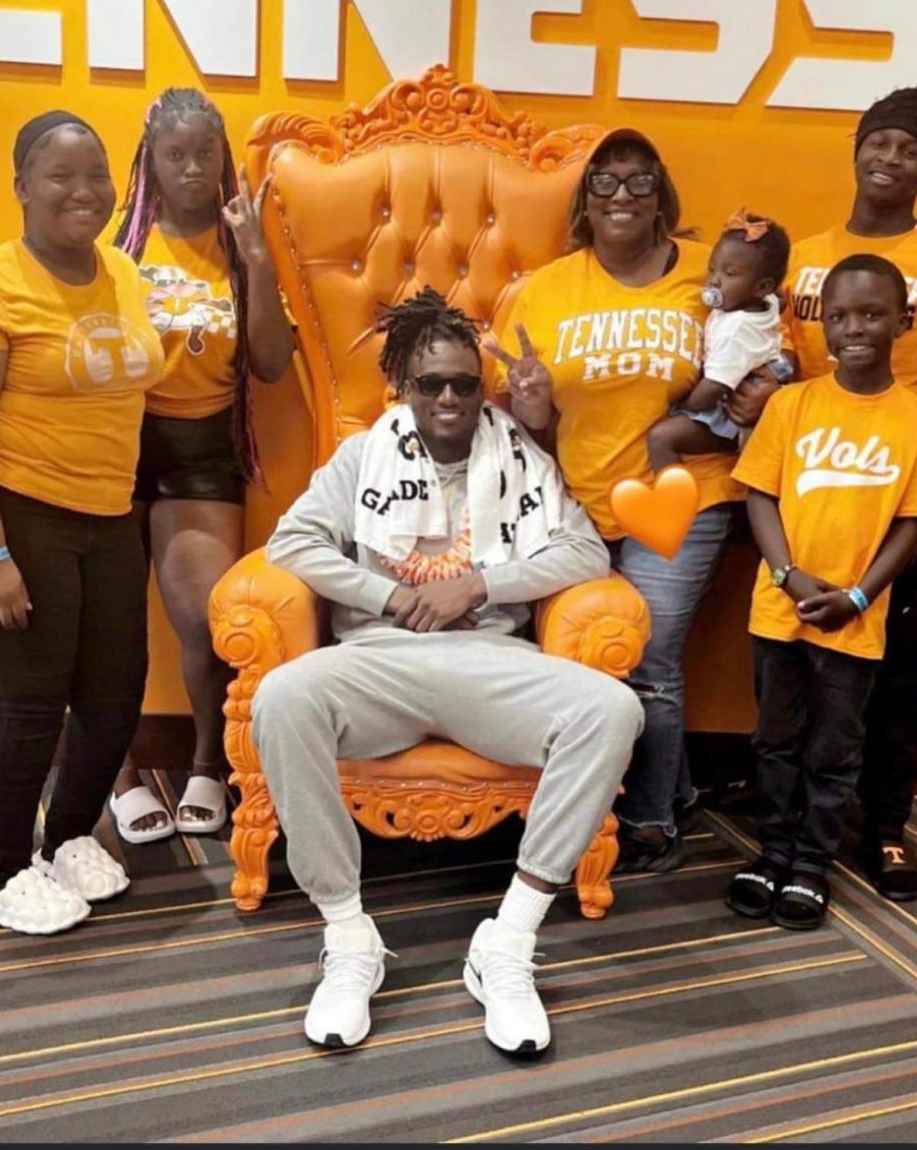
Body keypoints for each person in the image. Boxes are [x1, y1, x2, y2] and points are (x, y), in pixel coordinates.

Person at [250, 288, 644, 1054]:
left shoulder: (521, 455)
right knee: (282, 695)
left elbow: (585, 553)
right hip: (379, 658)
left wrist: (479, 585)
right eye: (430, 384)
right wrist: (391, 596)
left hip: (491, 660)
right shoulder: (363, 454)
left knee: (614, 711)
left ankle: (509, 941)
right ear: (403, 385)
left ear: (482, 386)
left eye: (465, 383)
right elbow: (292, 544)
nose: (449, 399)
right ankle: (350, 937)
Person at [487, 128, 778, 873]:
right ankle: (667, 789)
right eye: (605, 183)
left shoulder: (706, 282)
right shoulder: (549, 288)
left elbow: (767, 352)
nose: (622, 196)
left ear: (662, 198)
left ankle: (647, 818)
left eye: (639, 182)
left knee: (650, 660)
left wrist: (764, 389)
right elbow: (533, 425)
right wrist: (529, 405)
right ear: (585, 202)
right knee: (585, 658)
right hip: (578, 501)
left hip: (685, 494)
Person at [726, 255, 917, 930]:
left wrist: (856, 597)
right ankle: (772, 852)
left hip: (854, 619)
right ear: (822, 322)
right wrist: (789, 576)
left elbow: (913, 528)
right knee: (775, 740)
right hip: (781, 609)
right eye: (841, 315)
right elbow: (760, 497)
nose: (854, 329)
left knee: (834, 748)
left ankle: (811, 865)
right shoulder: (792, 406)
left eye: (873, 314)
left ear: (903, 322)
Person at [0, 112, 164, 934]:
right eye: (60, 175)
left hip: (111, 512)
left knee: (115, 693)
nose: (84, 191)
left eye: (96, 173)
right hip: (26, 512)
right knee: (29, 702)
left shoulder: (124, 273)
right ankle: (0, 869)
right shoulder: (1, 283)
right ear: (21, 186)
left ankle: (64, 839)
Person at [109, 89, 294, 844]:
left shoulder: (239, 245)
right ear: (150, 158)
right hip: (116, 445)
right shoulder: (121, 245)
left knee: (202, 620)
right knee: (108, 625)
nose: (191, 168)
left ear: (224, 161)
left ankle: (205, 767)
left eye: (205, 154)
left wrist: (254, 256)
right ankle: (116, 775)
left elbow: (273, 366)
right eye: (175, 154)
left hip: (202, 451)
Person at [782, 87, 917, 901]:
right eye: (879, 142)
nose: (889, 159)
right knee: (795, 644)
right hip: (807, 468)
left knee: (894, 656)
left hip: (899, 477)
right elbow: (780, 362)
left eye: (909, 151)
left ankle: (884, 823)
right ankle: (794, 809)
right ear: (855, 149)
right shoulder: (807, 252)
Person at [648, 210, 791, 472]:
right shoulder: (762, 301)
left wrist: (679, 405)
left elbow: (713, 388)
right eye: (712, 268)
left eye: (729, 274)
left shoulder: (735, 331)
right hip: (757, 372)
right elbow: (778, 300)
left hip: (732, 409)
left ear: (761, 286)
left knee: (661, 437)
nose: (714, 279)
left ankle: (672, 499)